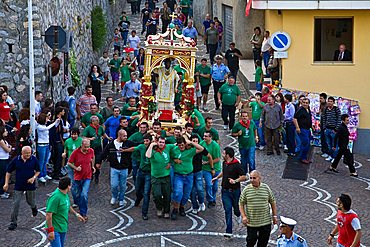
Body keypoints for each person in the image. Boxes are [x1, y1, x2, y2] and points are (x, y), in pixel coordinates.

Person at [212, 147, 246, 238]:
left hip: (235, 191)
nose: (222, 155)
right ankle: (228, 231)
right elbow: (224, 172)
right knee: (227, 210)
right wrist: (217, 177)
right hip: (225, 190)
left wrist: (235, 181)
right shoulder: (224, 163)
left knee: (236, 207)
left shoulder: (237, 165)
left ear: (227, 155)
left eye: (223, 153)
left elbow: (244, 177)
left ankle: (238, 214)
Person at [3, 146, 40, 230]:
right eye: (26, 153)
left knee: (30, 201)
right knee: (15, 203)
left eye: (29, 153)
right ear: (22, 153)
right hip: (19, 185)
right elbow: (8, 171)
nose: (28, 155)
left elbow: (38, 171)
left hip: (30, 184)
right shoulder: (16, 160)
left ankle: (34, 207)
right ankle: (13, 222)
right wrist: (6, 183)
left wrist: (33, 178)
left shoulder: (33, 159)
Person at [239, 170, 278, 247]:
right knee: (251, 241)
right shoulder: (246, 190)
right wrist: (243, 216)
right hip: (252, 222)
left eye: (254, 178)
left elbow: (272, 201)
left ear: (259, 178)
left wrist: (274, 216)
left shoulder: (266, 188)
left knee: (263, 242)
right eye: (250, 178)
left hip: (265, 221)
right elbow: (241, 203)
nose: (252, 180)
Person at [170, 137, 204, 220]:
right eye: (179, 145)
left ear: (185, 144)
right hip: (178, 175)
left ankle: (182, 207)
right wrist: (174, 160)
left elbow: (201, 148)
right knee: (178, 192)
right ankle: (175, 209)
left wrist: (191, 142)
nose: (181, 147)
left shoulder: (190, 151)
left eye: (182, 145)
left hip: (189, 176)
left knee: (186, 194)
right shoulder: (174, 149)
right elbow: (169, 155)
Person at [45, 177, 85, 247]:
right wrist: (50, 231)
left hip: (62, 227)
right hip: (55, 229)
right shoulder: (55, 197)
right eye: (71, 185)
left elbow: (67, 205)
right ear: (68, 186)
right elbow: (48, 215)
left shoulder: (65, 194)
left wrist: (76, 214)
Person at [146, 136, 178, 218]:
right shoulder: (153, 150)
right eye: (160, 142)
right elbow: (148, 156)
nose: (161, 144)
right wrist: (151, 145)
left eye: (163, 142)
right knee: (157, 194)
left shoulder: (168, 147)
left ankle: (166, 210)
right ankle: (159, 208)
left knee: (167, 194)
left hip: (166, 176)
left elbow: (177, 145)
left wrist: (170, 163)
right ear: (157, 142)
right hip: (156, 177)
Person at [101, 129, 134, 207]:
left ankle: (121, 199)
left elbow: (137, 145)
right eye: (124, 136)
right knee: (114, 185)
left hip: (124, 168)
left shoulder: (128, 143)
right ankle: (114, 196)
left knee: (123, 185)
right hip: (114, 168)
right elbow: (104, 153)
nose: (126, 137)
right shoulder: (111, 144)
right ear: (119, 136)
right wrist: (99, 162)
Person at [66, 139, 95, 221]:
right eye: (85, 147)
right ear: (81, 145)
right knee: (77, 194)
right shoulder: (75, 152)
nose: (87, 148)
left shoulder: (91, 151)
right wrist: (76, 168)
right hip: (78, 177)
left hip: (87, 176)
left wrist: (92, 166)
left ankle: (83, 213)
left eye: (88, 146)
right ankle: (79, 205)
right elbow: (69, 163)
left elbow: (92, 158)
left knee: (84, 194)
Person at [82, 116, 111, 184]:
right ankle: (91, 174)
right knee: (90, 161)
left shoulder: (100, 127)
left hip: (98, 147)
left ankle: (97, 175)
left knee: (98, 161)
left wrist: (108, 138)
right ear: (92, 122)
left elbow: (103, 133)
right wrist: (90, 139)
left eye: (98, 121)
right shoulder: (88, 128)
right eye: (97, 121)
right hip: (90, 147)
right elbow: (83, 137)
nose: (98, 122)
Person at [190, 134, 212, 214]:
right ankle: (194, 206)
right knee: (192, 191)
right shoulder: (188, 149)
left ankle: (201, 202)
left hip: (198, 171)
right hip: (190, 173)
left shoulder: (201, 149)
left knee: (200, 189)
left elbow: (209, 156)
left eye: (196, 141)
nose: (195, 143)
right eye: (193, 141)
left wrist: (210, 166)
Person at [36, 113, 61, 182]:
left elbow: (53, 126)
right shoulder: (39, 126)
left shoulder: (44, 125)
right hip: (41, 145)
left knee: (45, 161)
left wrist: (57, 121)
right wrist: (54, 122)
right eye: (46, 118)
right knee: (41, 161)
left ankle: (44, 174)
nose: (47, 120)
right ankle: (40, 175)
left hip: (46, 144)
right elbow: (47, 128)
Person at [200, 131, 221, 208]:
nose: (204, 137)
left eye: (206, 136)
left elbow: (217, 159)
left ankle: (213, 197)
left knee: (215, 186)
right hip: (206, 169)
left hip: (216, 168)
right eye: (204, 136)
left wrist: (206, 162)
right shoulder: (202, 144)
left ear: (210, 137)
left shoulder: (215, 146)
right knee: (209, 184)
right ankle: (210, 200)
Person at [321, 96, 341, 163]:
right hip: (327, 129)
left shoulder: (336, 109)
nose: (329, 102)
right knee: (328, 144)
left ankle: (334, 157)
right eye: (329, 101)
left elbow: (339, 119)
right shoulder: (325, 109)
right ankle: (330, 155)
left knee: (334, 145)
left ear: (333, 102)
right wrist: (324, 128)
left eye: (331, 101)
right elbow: (323, 118)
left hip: (334, 130)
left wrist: (336, 129)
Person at [293, 97, 312, 164]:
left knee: (307, 143)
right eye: (304, 102)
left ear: (308, 104)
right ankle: (303, 158)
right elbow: (294, 119)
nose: (305, 104)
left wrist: (311, 126)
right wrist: (297, 127)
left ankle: (302, 157)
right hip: (302, 129)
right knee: (305, 143)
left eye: (306, 103)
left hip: (307, 129)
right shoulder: (300, 110)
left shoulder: (308, 109)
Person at [0, 126, 12, 199]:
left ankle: (3, 191)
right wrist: (10, 148)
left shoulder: (4, 140)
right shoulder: (1, 141)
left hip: (5, 158)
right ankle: (1, 192)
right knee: (2, 176)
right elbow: (7, 150)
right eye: (5, 131)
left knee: (5, 175)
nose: (7, 132)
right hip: (2, 160)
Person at [319, 93, 329, 158]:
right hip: (322, 124)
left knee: (325, 139)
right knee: (322, 138)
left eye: (321, 98)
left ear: (325, 99)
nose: (320, 99)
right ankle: (323, 151)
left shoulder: (326, 106)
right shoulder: (321, 105)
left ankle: (326, 152)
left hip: (325, 125)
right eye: (319, 98)